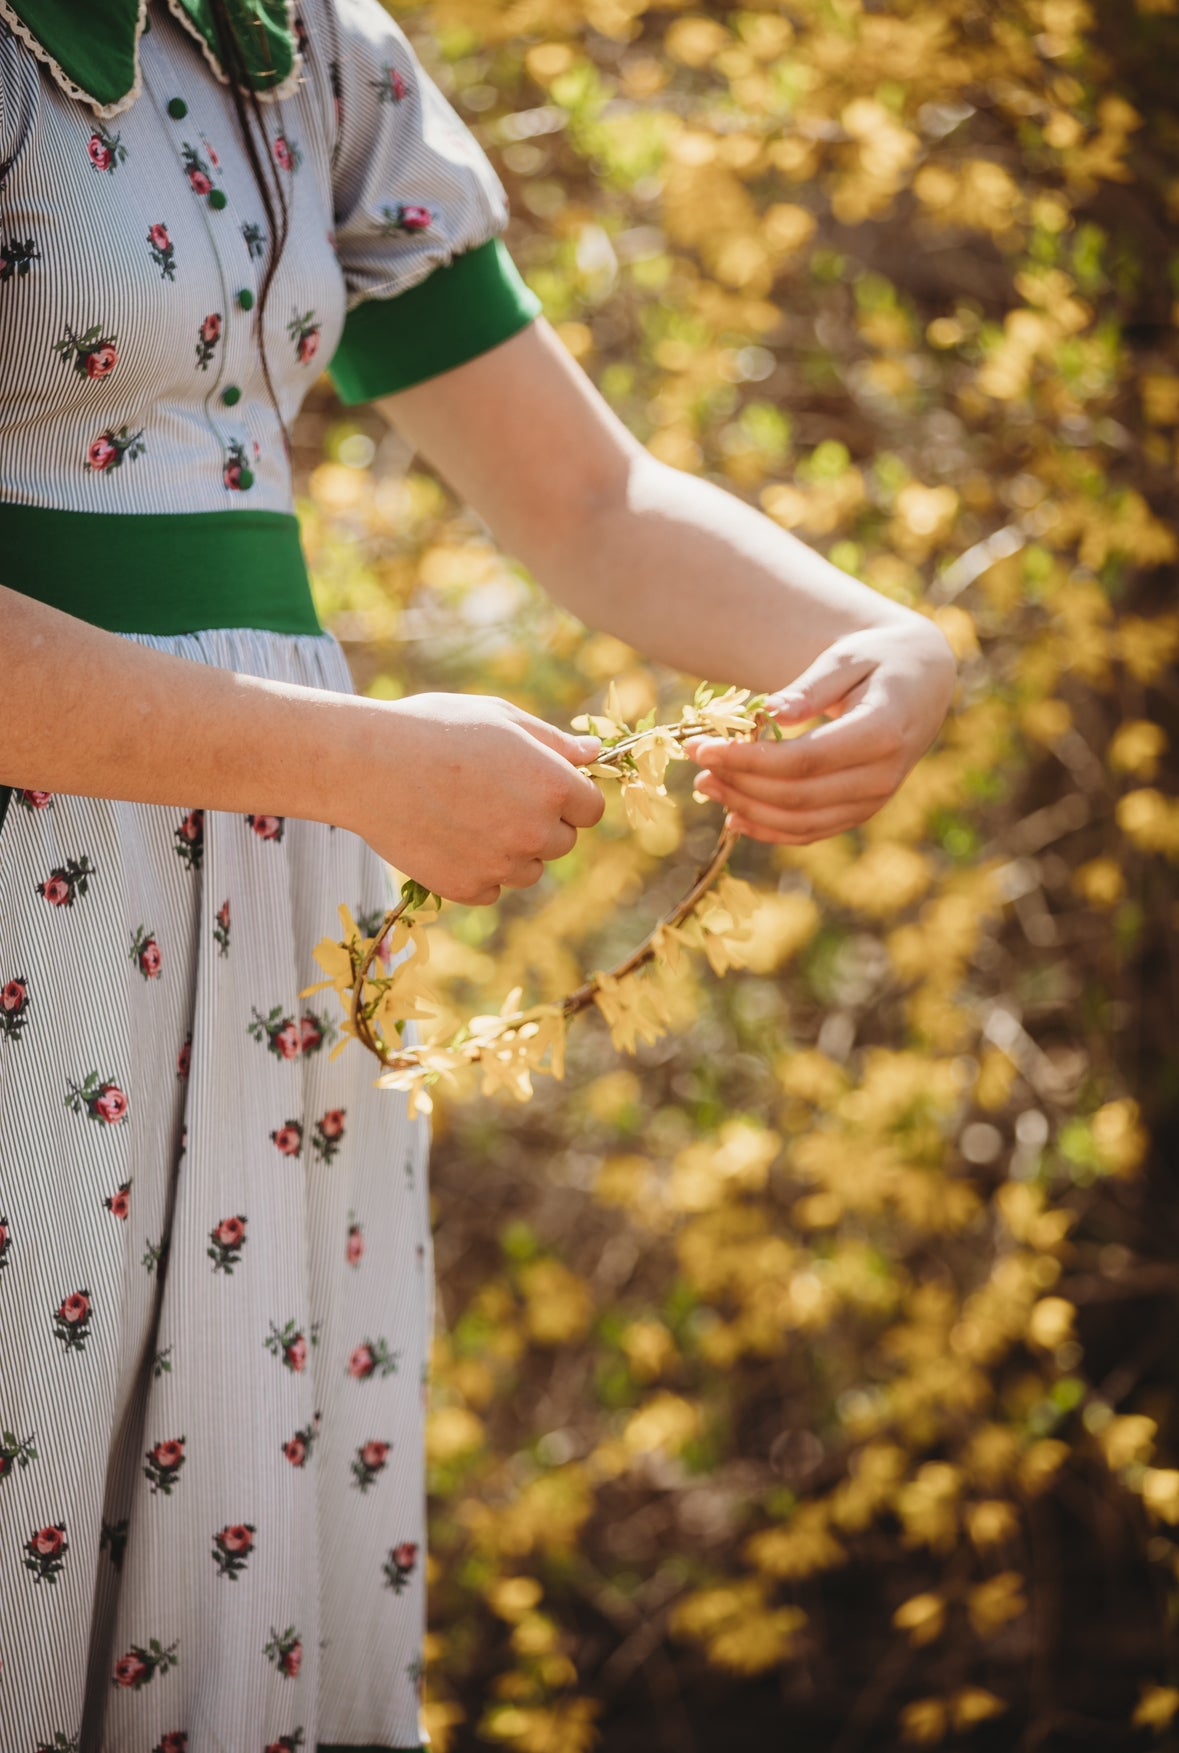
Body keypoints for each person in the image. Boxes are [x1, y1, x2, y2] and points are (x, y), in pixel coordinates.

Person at [0, 0, 958, 1747]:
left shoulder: (304, 49)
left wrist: (886, 637)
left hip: (270, 916)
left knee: (236, 1546)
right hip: (36, 902)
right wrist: (352, 761)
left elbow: (588, 499)